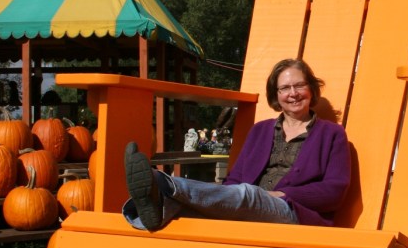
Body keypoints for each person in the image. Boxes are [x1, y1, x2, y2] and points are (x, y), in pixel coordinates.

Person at [123, 58, 351, 231]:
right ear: (276, 94)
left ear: (311, 88)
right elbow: (234, 179)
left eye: (299, 85)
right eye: (284, 88)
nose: (293, 93)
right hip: (247, 209)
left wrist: (281, 194)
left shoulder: (332, 134)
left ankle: (162, 183)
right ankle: (146, 214)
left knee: (249, 194)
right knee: (186, 208)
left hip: (292, 213)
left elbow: (334, 192)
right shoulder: (261, 130)